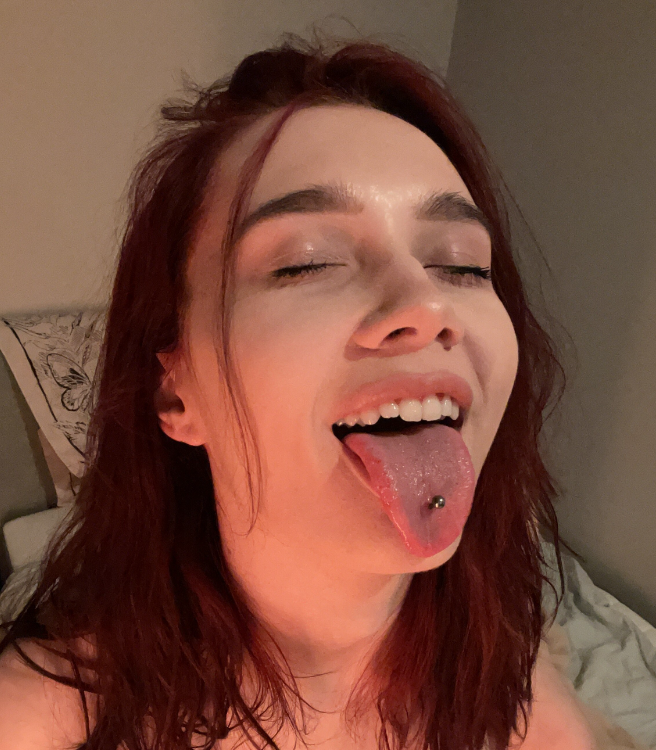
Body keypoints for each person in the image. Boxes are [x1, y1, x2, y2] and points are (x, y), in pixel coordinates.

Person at [0, 33, 596, 750]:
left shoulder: (508, 674)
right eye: (306, 263)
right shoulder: (43, 716)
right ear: (176, 394)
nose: (427, 304)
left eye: (463, 265)